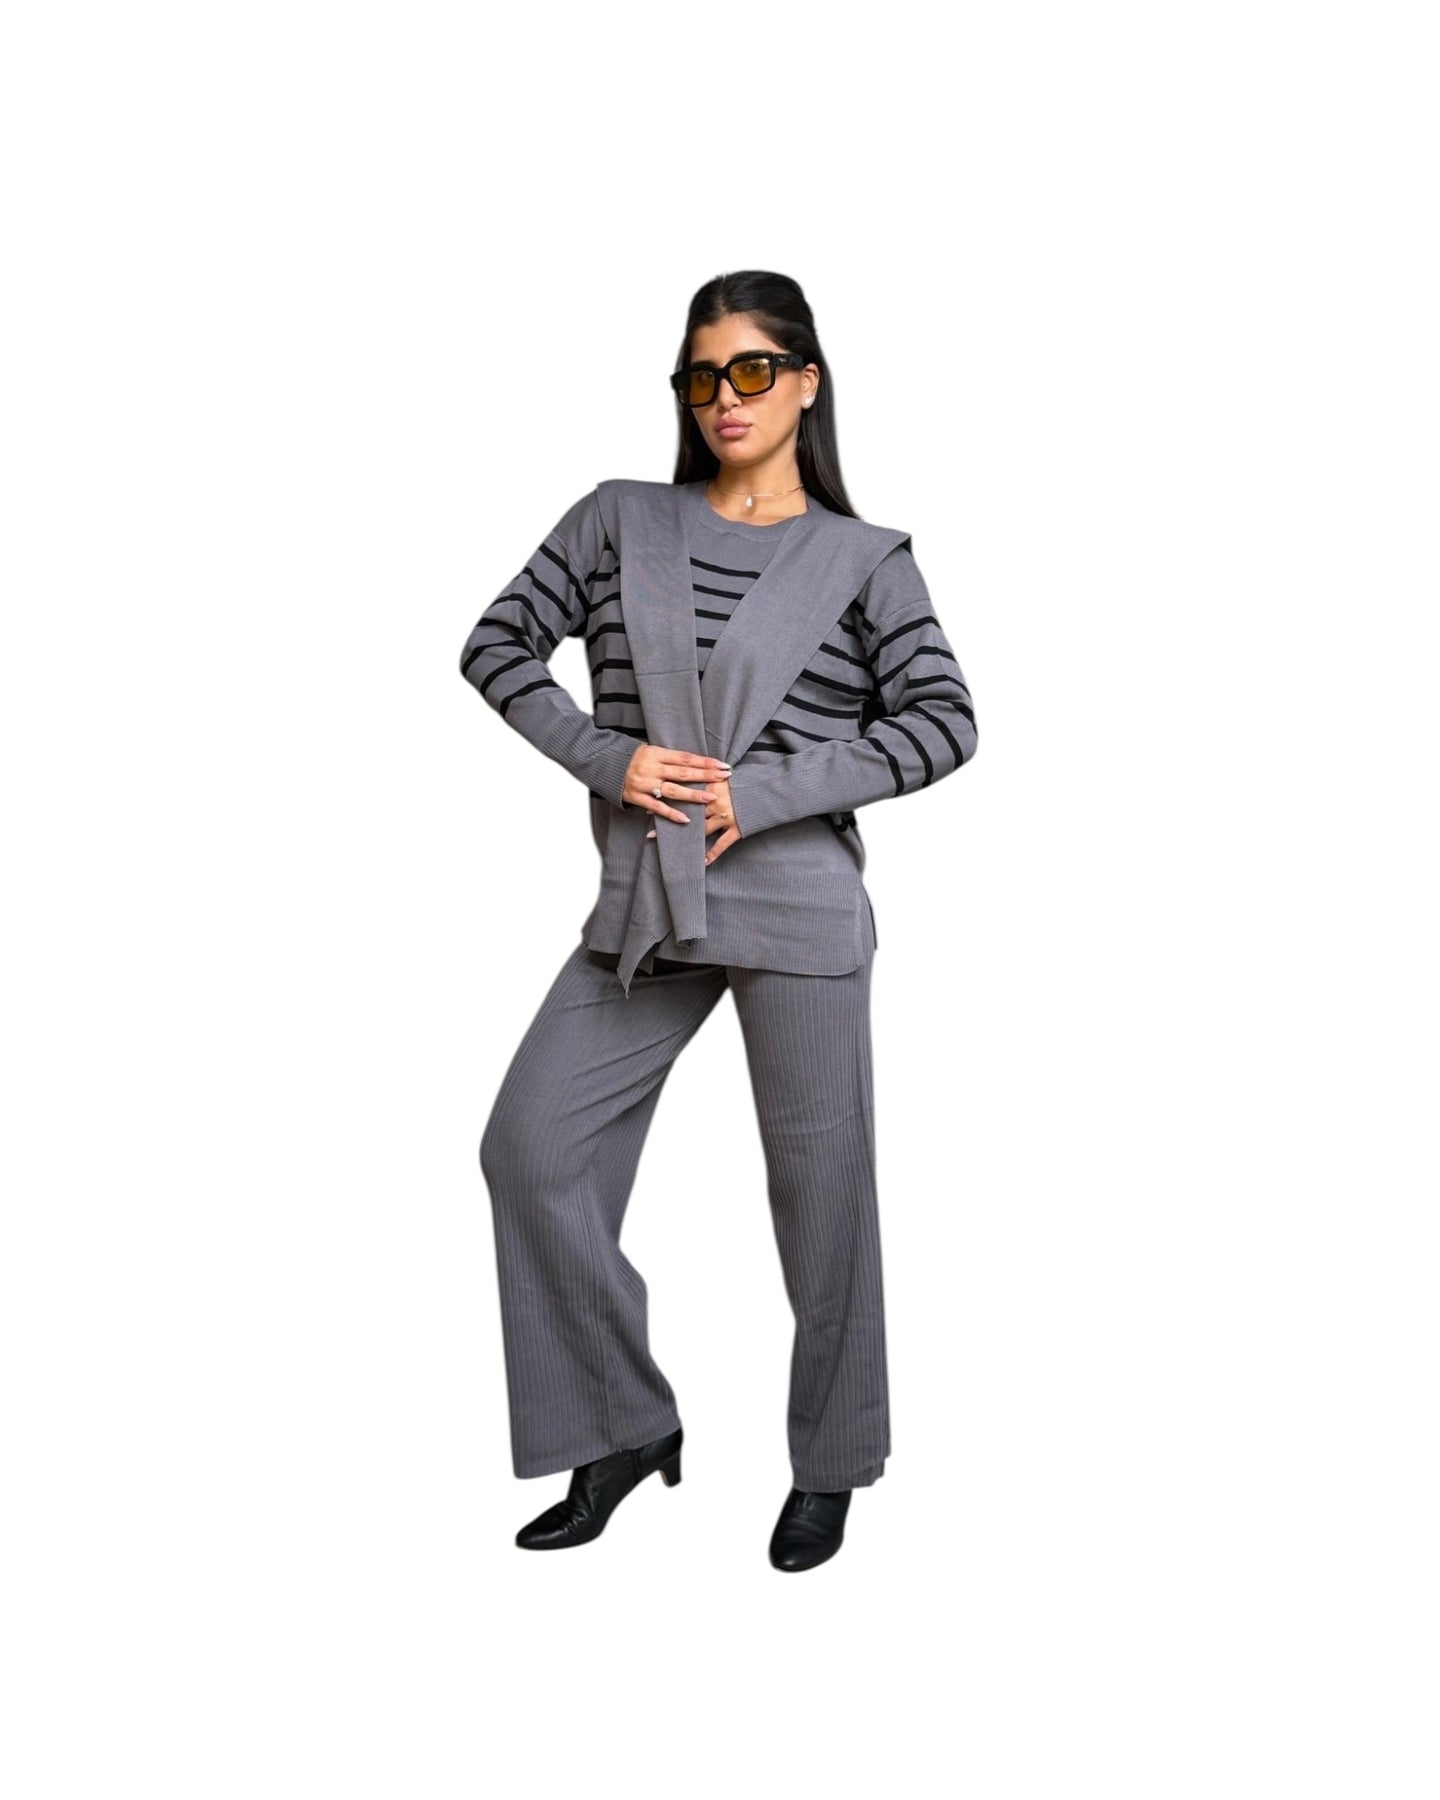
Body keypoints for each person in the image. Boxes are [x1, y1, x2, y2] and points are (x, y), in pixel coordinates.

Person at [459, 269, 977, 1571]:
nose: (724, 397)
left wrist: (766, 791)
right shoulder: (619, 518)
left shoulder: (864, 561)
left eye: (752, 370)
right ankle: (619, 1424)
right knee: (530, 1148)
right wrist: (608, 758)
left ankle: (832, 1463)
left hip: (798, 907)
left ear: (807, 381)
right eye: (701, 377)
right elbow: (497, 645)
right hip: (648, 898)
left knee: (822, 1198)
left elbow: (945, 723)